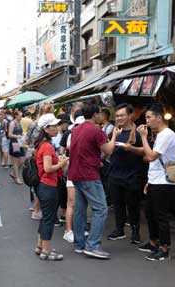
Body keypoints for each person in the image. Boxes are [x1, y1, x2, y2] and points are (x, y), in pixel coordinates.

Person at [68, 103, 121, 259]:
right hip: (88, 174)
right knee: (101, 209)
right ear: (96, 114)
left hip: (76, 173)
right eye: (99, 113)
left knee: (80, 208)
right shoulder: (95, 130)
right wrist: (114, 136)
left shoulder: (77, 129)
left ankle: (79, 244)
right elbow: (109, 150)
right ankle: (93, 245)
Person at [137, 103, 175, 261]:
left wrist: (142, 137)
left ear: (159, 118)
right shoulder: (160, 134)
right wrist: (150, 180)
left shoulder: (167, 134)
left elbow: (151, 156)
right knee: (150, 213)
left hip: (164, 182)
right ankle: (154, 242)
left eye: (149, 117)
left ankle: (164, 249)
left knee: (161, 216)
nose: (146, 121)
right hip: (156, 180)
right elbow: (154, 161)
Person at [106, 103, 144, 244]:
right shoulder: (114, 132)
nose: (119, 118)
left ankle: (135, 231)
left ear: (129, 116)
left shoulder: (139, 132)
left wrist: (131, 148)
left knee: (133, 205)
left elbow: (145, 151)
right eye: (117, 116)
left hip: (132, 174)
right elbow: (107, 149)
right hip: (114, 173)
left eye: (122, 115)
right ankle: (119, 229)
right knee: (117, 204)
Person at [34, 114, 69, 261]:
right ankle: (46, 251)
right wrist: (62, 163)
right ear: (46, 128)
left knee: (45, 217)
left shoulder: (41, 144)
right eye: (54, 126)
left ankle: (40, 246)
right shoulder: (47, 146)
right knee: (49, 218)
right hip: (49, 185)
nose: (57, 128)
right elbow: (48, 168)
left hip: (43, 185)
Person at [59, 110, 85, 243]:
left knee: (80, 203)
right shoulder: (71, 134)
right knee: (72, 203)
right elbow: (64, 151)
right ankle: (68, 231)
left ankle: (77, 228)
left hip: (80, 173)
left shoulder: (73, 133)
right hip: (73, 172)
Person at [8, 110, 25, 184]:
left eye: (21, 116)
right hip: (15, 144)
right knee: (15, 161)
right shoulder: (12, 123)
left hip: (19, 143)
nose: (21, 117)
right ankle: (17, 177)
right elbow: (9, 134)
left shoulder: (19, 123)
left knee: (22, 160)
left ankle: (13, 172)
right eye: (20, 116)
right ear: (16, 116)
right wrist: (17, 136)